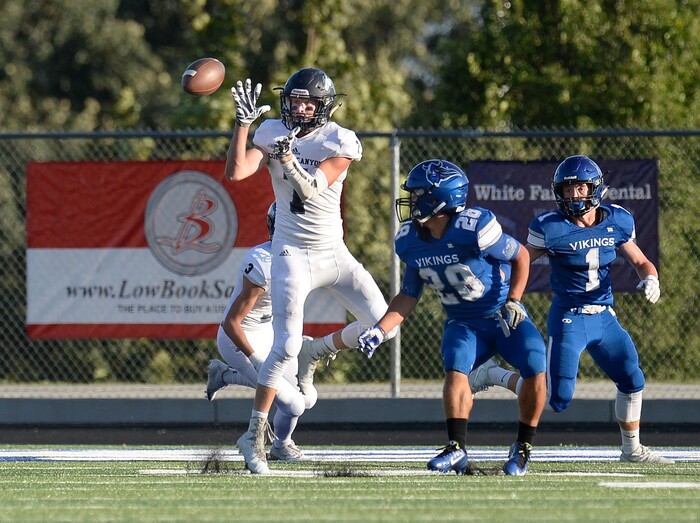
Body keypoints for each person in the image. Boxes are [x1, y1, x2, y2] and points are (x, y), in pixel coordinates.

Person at [224, 68, 393, 474]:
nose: (300, 109)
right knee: (285, 347)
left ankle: (322, 348)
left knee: (385, 322)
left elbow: (313, 187)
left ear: (324, 107)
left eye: (309, 103)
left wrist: (285, 157)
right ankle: (254, 434)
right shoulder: (271, 131)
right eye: (295, 101)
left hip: (332, 252)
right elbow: (236, 172)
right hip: (291, 252)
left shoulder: (340, 139)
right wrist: (243, 127)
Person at [357, 159, 547, 476]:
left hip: (502, 316)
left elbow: (521, 255)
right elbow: (408, 295)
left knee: (535, 364)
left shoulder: (475, 228)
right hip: (463, 323)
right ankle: (456, 448)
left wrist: (514, 300)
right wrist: (379, 330)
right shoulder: (410, 240)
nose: (412, 201)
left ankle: (523, 447)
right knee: (456, 367)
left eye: (418, 194)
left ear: (440, 197)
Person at [526, 154, 673, 463]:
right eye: (566, 190)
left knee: (632, 378)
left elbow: (641, 260)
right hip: (570, 317)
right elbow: (522, 260)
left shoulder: (617, 219)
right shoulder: (551, 227)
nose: (572, 196)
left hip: (605, 318)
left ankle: (631, 449)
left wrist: (650, 278)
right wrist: (505, 290)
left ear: (594, 189)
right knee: (557, 399)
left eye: (578, 188)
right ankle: (495, 375)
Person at [205, 202, 312, 461]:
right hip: (240, 338)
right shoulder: (263, 263)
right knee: (294, 404)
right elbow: (231, 323)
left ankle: (281, 444)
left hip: (270, 333)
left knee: (306, 398)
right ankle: (280, 446)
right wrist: (256, 361)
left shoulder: (306, 260)